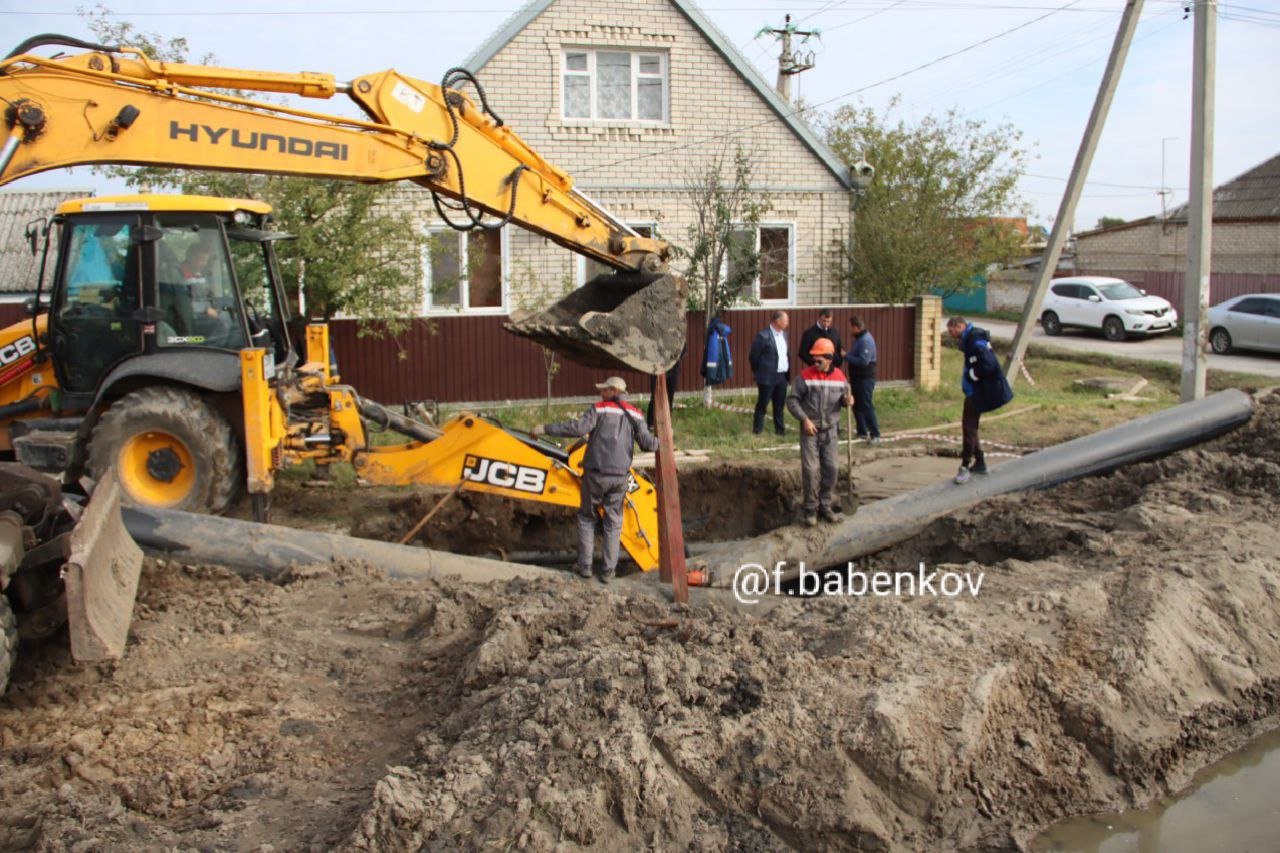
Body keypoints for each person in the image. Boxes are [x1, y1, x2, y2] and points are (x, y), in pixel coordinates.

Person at [532, 376, 659, 583]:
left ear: (612, 391)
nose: (601, 393)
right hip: (620, 478)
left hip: (595, 475)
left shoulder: (598, 409)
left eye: (604, 390)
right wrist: (663, 439)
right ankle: (608, 571)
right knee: (613, 522)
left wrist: (545, 429)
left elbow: (577, 429)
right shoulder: (635, 414)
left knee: (587, 518)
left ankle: (585, 567)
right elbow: (648, 444)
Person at [786, 337, 853, 526]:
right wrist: (804, 419)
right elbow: (792, 400)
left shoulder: (840, 378)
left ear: (829, 358)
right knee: (811, 470)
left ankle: (825, 506)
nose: (815, 362)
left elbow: (844, 399)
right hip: (810, 430)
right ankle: (810, 510)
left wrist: (848, 401)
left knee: (831, 468)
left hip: (830, 431)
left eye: (819, 359)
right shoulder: (805, 376)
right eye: (813, 359)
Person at [946, 316, 1014, 484]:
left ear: (960, 326)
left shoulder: (975, 341)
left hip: (978, 392)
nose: (950, 333)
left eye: (951, 330)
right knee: (970, 427)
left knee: (968, 427)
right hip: (974, 391)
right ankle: (980, 462)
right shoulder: (970, 339)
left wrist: (973, 374)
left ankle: (964, 467)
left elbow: (989, 364)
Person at [748, 310, 791, 436]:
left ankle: (780, 431)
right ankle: (757, 431)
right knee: (763, 404)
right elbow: (753, 357)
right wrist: (760, 371)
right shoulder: (763, 336)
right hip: (767, 377)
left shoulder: (785, 335)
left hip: (782, 375)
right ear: (777, 321)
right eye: (785, 320)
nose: (787, 323)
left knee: (779, 406)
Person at [845, 315, 881, 444]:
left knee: (866, 405)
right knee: (857, 405)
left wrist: (846, 356)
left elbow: (863, 361)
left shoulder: (866, 340)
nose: (849, 329)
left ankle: (875, 434)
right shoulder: (859, 339)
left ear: (856, 327)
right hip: (857, 378)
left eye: (850, 327)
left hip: (865, 379)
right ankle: (862, 431)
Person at [701, 314, 733, 388]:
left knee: (710, 381)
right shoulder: (723, 333)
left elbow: (712, 353)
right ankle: (708, 397)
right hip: (722, 366)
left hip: (713, 366)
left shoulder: (712, 332)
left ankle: (708, 397)